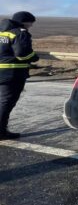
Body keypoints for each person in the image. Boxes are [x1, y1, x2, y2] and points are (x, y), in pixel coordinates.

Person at [0, 11, 39, 139]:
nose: (31, 26)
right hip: (12, 73)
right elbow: (22, 54)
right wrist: (34, 57)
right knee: (6, 102)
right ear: (24, 21)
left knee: (2, 102)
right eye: (30, 23)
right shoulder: (19, 32)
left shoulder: (2, 32)